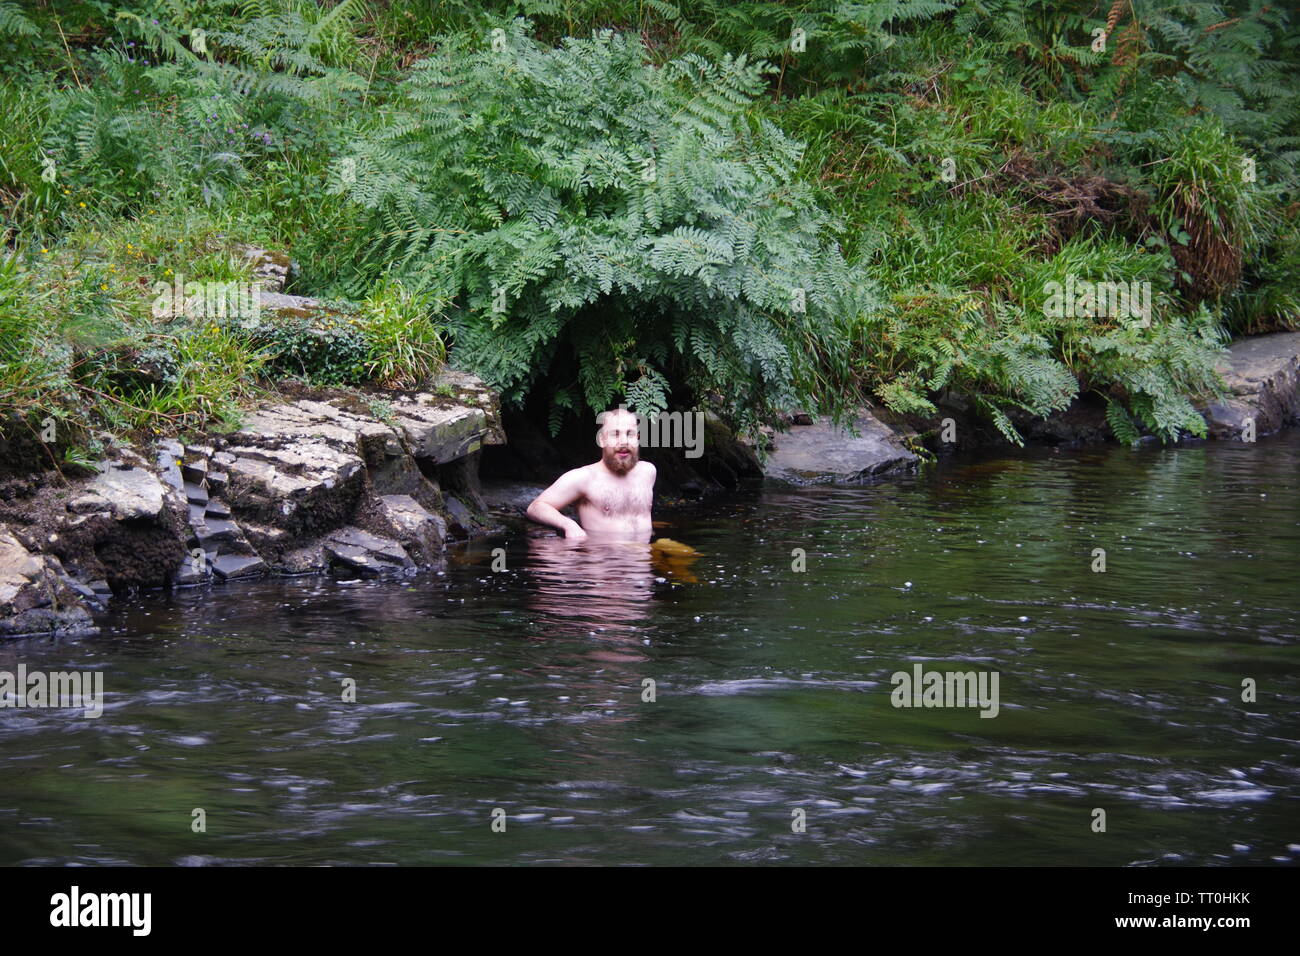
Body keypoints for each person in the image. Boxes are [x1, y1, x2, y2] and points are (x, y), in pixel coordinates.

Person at [526, 408, 655, 542]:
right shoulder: (584, 478)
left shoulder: (648, 472)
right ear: (601, 439)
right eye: (615, 434)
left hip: (643, 558)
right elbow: (536, 507)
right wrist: (568, 525)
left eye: (630, 434)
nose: (624, 441)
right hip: (605, 559)